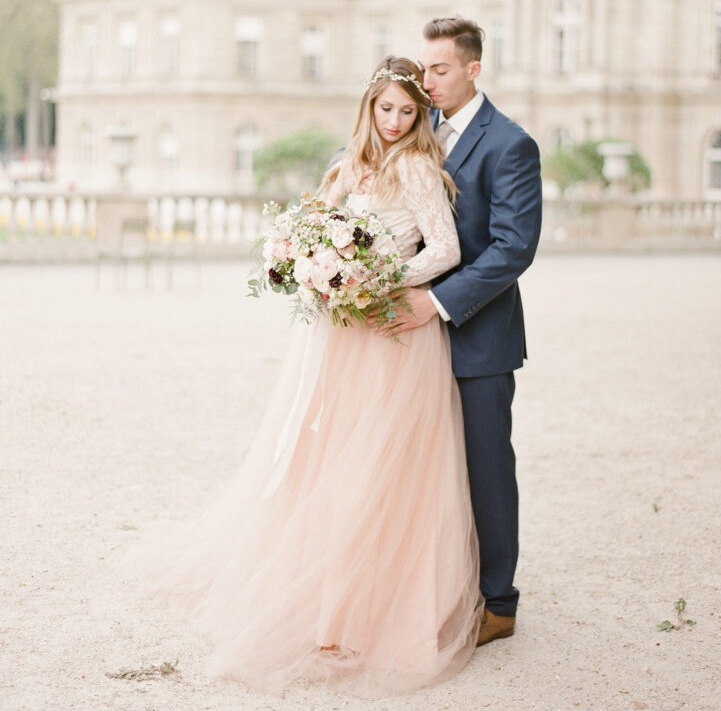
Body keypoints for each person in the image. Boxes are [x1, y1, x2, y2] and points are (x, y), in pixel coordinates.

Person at [123, 56, 483, 695]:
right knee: (329, 452)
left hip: (393, 328)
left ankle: (372, 606)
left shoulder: (420, 168)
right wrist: (304, 256)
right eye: (386, 109)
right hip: (342, 331)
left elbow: (447, 249)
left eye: (408, 110)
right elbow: (314, 223)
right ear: (368, 108)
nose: (396, 121)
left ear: (420, 114)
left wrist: (380, 280)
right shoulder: (351, 163)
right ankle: (321, 593)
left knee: (384, 460)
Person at [386, 17, 542, 647]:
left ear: (474, 69)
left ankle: (498, 603)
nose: (427, 82)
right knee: (419, 468)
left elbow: (512, 249)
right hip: (404, 339)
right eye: (423, 69)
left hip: (476, 336)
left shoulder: (510, 144)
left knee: (484, 467)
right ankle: (433, 587)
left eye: (440, 70)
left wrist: (437, 304)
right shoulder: (414, 130)